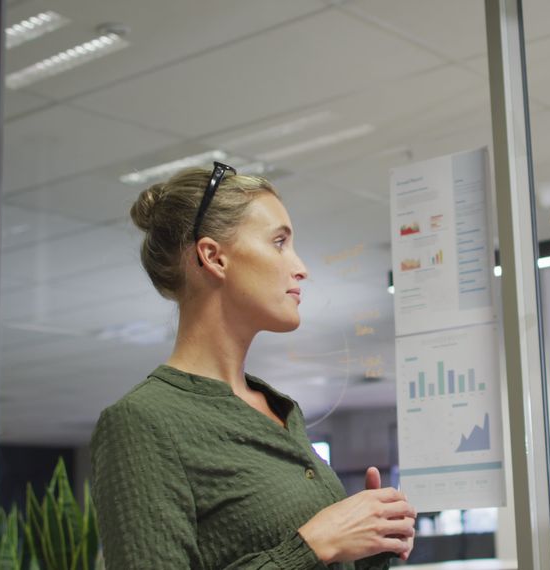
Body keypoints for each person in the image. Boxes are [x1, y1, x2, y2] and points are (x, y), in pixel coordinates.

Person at [91, 163, 416, 569]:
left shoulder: (280, 409)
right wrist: (314, 545)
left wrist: (370, 549)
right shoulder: (142, 422)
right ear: (213, 257)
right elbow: (308, 550)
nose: (301, 267)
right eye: (279, 242)